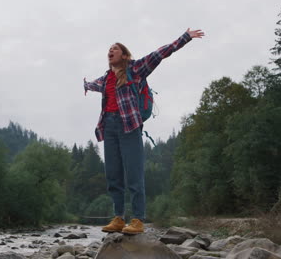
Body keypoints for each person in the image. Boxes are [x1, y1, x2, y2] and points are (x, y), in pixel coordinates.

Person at [83, 28, 204, 234]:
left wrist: (185, 38)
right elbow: (94, 85)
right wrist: (85, 84)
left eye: (115, 49)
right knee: (113, 175)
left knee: (134, 174)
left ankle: (138, 219)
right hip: (109, 127)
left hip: (129, 126)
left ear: (124, 54)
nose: (110, 51)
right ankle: (119, 218)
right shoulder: (105, 79)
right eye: (109, 49)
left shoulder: (136, 69)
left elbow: (160, 53)